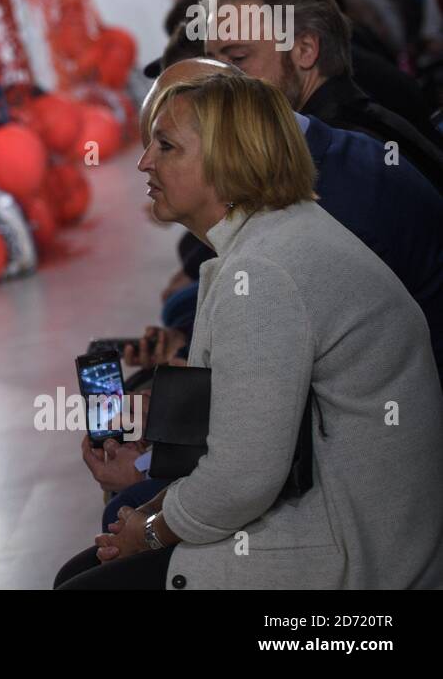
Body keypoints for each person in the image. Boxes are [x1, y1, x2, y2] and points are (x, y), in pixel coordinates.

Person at [58, 72, 443, 589]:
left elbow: (242, 482)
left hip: (363, 556)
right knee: (83, 572)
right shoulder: (270, 238)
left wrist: (147, 530)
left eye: (166, 146)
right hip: (352, 519)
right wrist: (150, 502)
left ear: (228, 159)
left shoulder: (263, 272)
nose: (145, 161)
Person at [202, 0, 443, 193]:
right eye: (211, 63)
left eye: (238, 58)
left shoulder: (338, 154)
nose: (219, 77)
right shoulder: (356, 128)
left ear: (305, 50)